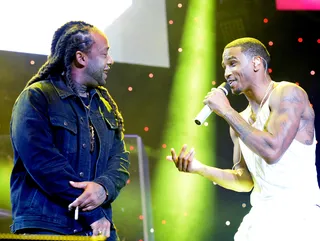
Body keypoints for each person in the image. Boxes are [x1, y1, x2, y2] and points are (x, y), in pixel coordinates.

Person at [167, 37, 320, 241]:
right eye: (224, 67)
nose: (227, 73)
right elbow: (244, 180)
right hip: (260, 221)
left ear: (256, 63)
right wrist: (199, 168)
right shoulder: (241, 121)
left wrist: (227, 111)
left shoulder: (288, 93)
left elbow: (272, 151)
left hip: (297, 219)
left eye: (233, 63)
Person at [9, 21, 130, 240]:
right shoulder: (37, 97)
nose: (110, 61)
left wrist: (104, 188)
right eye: (105, 54)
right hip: (48, 226)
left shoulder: (105, 105)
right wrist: (92, 211)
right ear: (81, 58)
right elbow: (42, 161)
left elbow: (120, 158)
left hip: (98, 229)